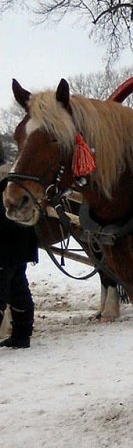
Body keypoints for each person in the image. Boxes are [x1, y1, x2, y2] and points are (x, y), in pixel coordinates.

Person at [0, 140, 39, 349]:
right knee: (18, 288)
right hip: (19, 245)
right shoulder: (13, 179)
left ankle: (21, 334)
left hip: (5, 246)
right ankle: (22, 335)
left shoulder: (7, 184)